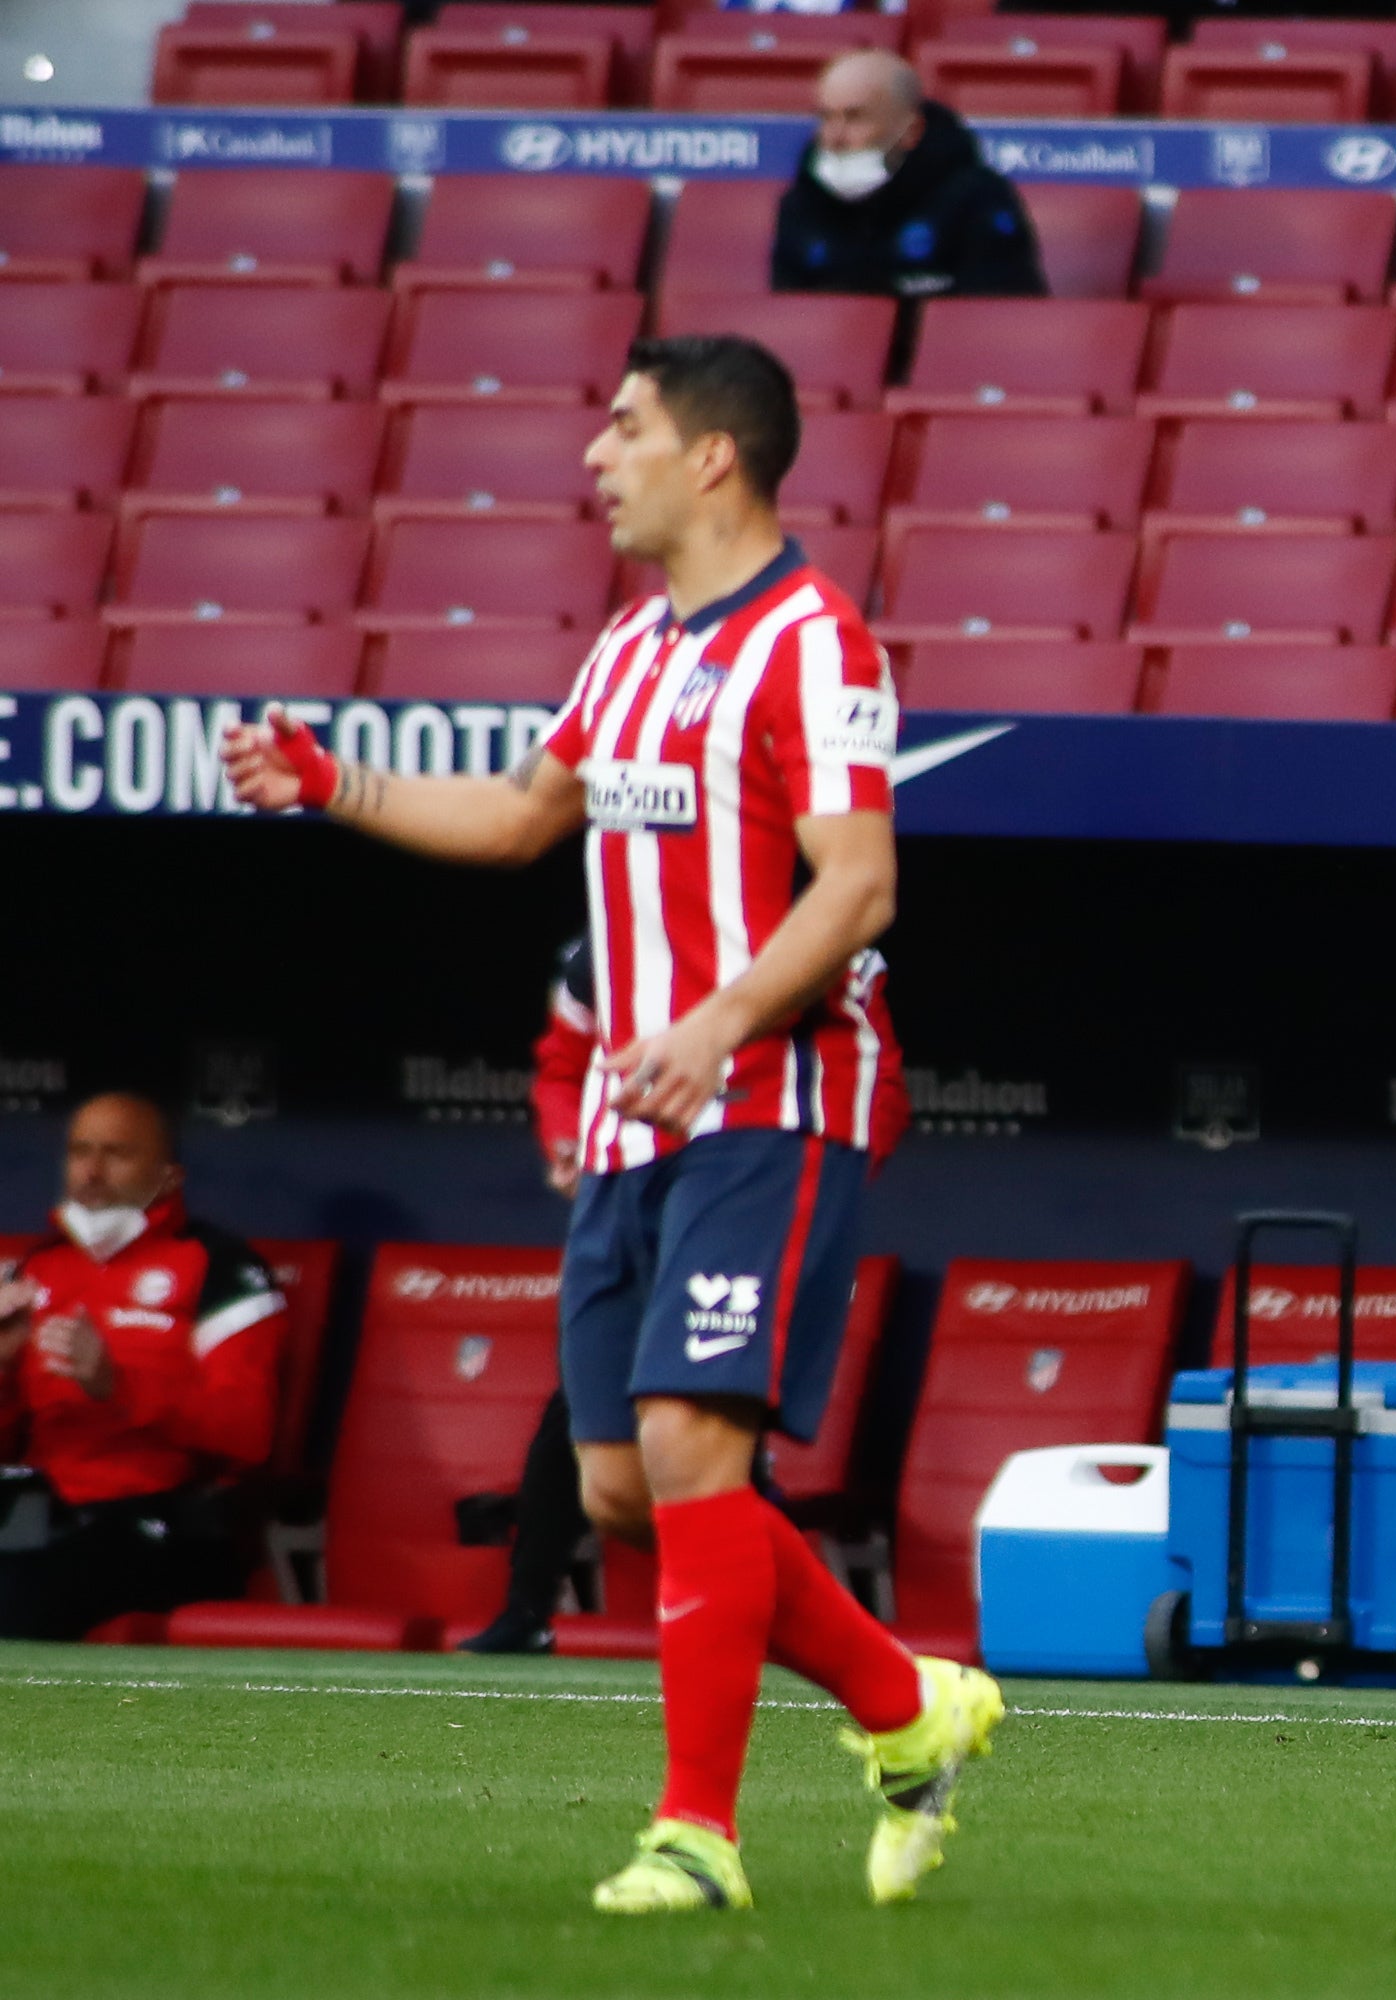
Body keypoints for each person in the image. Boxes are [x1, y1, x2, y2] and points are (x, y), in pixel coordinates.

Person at [221, 333, 997, 1918]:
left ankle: (696, 1838)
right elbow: (520, 815)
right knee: (630, 1488)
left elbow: (861, 883)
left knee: (694, 1448)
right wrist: (327, 783)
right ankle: (910, 1703)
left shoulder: (817, 642)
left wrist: (718, 1024)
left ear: (715, 456)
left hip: (772, 1098)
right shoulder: (635, 646)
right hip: (650, 1118)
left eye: (627, 426)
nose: (595, 451)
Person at [462, 938, 910, 1658]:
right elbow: (564, 1061)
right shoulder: (605, 942)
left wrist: (828, 1184)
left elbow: (875, 1079)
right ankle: (531, 1609)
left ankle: (824, 1658)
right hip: (631, 1191)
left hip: (749, 1190)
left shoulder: (809, 928)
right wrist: (565, 1138)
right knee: (611, 1474)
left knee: (699, 1436)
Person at [0, 1094, 287, 1641]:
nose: (91, 1170)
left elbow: (249, 1433)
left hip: (166, 1522)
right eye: (80, 1151)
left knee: (21, 1592)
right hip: (37, 1513)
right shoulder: (42, 1266)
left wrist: (120, 1387)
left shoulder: (219, 1267)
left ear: (170, 1174)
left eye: (116, 1153)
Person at [773, 50, 1046, 301]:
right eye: (826, 117)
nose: (835, 137)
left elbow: (1000, 320)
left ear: (911, 131)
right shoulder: (801, 203)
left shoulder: (978, 201)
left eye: (855, 118)